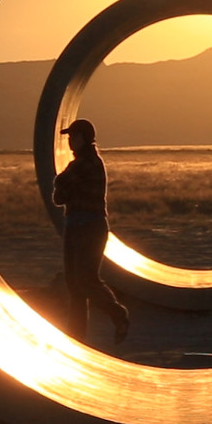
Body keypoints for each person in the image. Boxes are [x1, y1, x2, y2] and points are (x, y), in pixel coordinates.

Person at [51, 118, 130, 345]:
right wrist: (63, 184)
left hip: (89, 227)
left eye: (74, 136)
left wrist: (63, 183)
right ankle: (77, 336)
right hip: (75, 226)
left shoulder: (89, 163)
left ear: (85, 138)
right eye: (69, 137)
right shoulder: (79, 165)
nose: (70, 141)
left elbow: (61, 185)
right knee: (75, 284)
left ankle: (118, 314)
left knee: (86, 280)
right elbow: (59, 196)